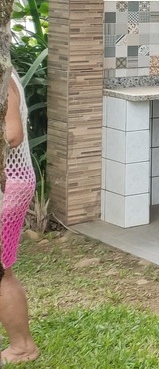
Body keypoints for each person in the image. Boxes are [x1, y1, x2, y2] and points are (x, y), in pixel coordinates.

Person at [0, 71, 38, 364]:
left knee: (2, 272)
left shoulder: (1, 75)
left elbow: (12, 134)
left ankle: (23, 348)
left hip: (9, 184)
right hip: (12, 182)